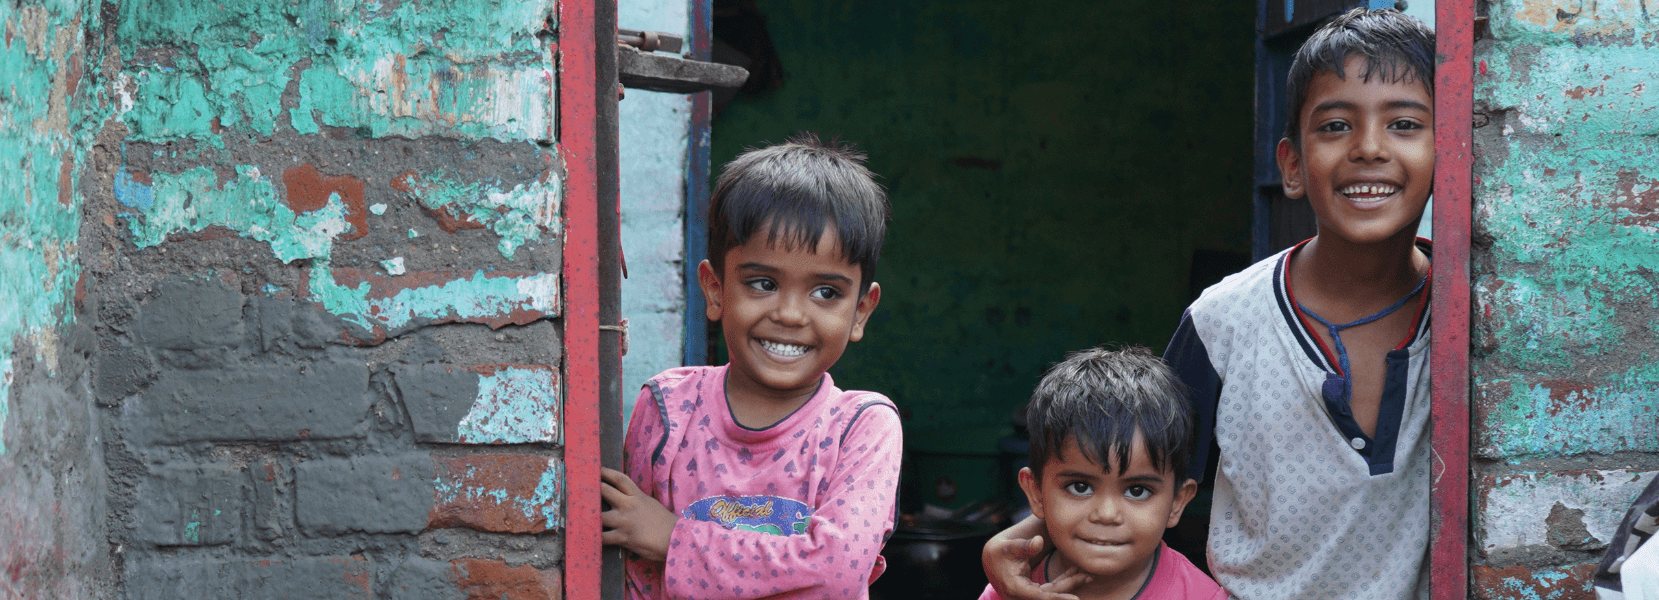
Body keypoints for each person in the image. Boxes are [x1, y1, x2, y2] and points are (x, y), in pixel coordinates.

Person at [983, 8, 1437, 599]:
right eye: (1334, 127)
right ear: (1293, 166)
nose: (1369, 149)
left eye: (1404, 124)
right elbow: (1135, 474)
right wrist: (1028, 540)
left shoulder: (1477, 320)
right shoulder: (1223, 321)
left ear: (1448, 151)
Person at [599, 133, 901, 599]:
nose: (790, 315)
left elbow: (834, 575)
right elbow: (629, 568)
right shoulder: (667, 408)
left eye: (826, 292)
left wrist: (673, 540)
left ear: (861, 311)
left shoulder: (860, 428)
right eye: (762, 283)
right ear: (716, 289)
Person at [979, 346, 1226, 600]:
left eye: (1137, 490)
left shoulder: (1201, 596)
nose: (1107, 515)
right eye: (1080, 486)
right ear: (1035, 492)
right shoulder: (1012, 591)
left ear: (1177, 502)